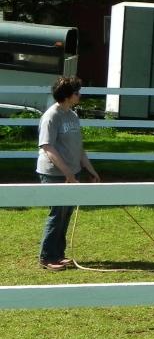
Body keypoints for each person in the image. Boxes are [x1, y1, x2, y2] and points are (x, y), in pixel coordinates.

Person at [36, 76, 100, 271]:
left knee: (66, 213)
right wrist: (67, 174)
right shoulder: (51, 116)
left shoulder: (72, 115)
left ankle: (58, 253)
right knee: (57, 214)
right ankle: (46, 257)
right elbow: (48, 147)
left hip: (73, 172)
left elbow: (78, 147)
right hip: (54, 173)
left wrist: (89, 170)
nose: (79, 95)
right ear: (66, 95)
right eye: (76, 92)